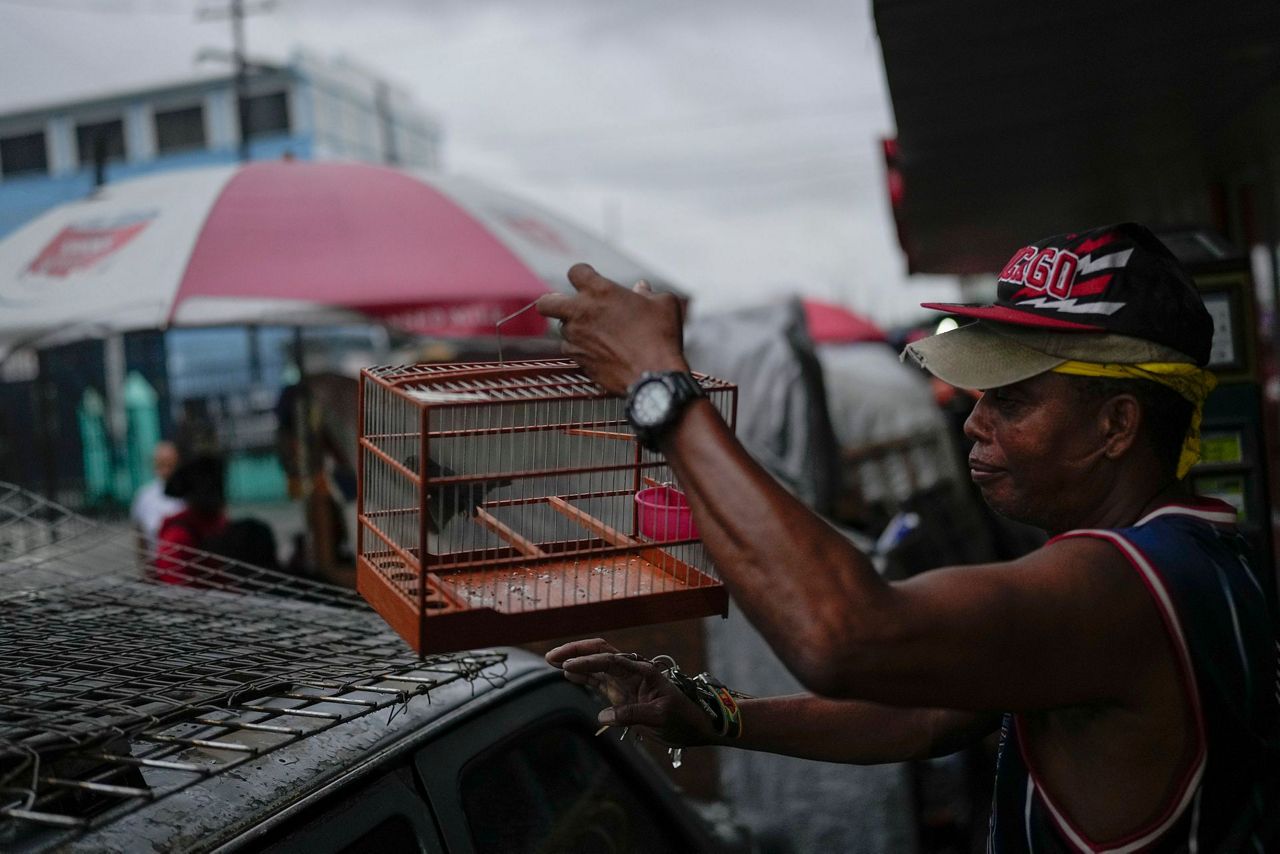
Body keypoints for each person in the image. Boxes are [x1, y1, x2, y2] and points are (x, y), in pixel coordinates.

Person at [536, 223, 1279, 852]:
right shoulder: (1205, 552)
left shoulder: (1120, 587)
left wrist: (660, 387)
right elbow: (929, 711)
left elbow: (846, 637)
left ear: (1117, 425)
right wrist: (719, 715)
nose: (974, 422)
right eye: (981, 397)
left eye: (1013, 401)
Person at [130, 440, 184, 553]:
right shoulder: (144, 496)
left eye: (170, 464)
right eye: (161, 464)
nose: (166, 469)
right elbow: (140, 537)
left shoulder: (189, 494)